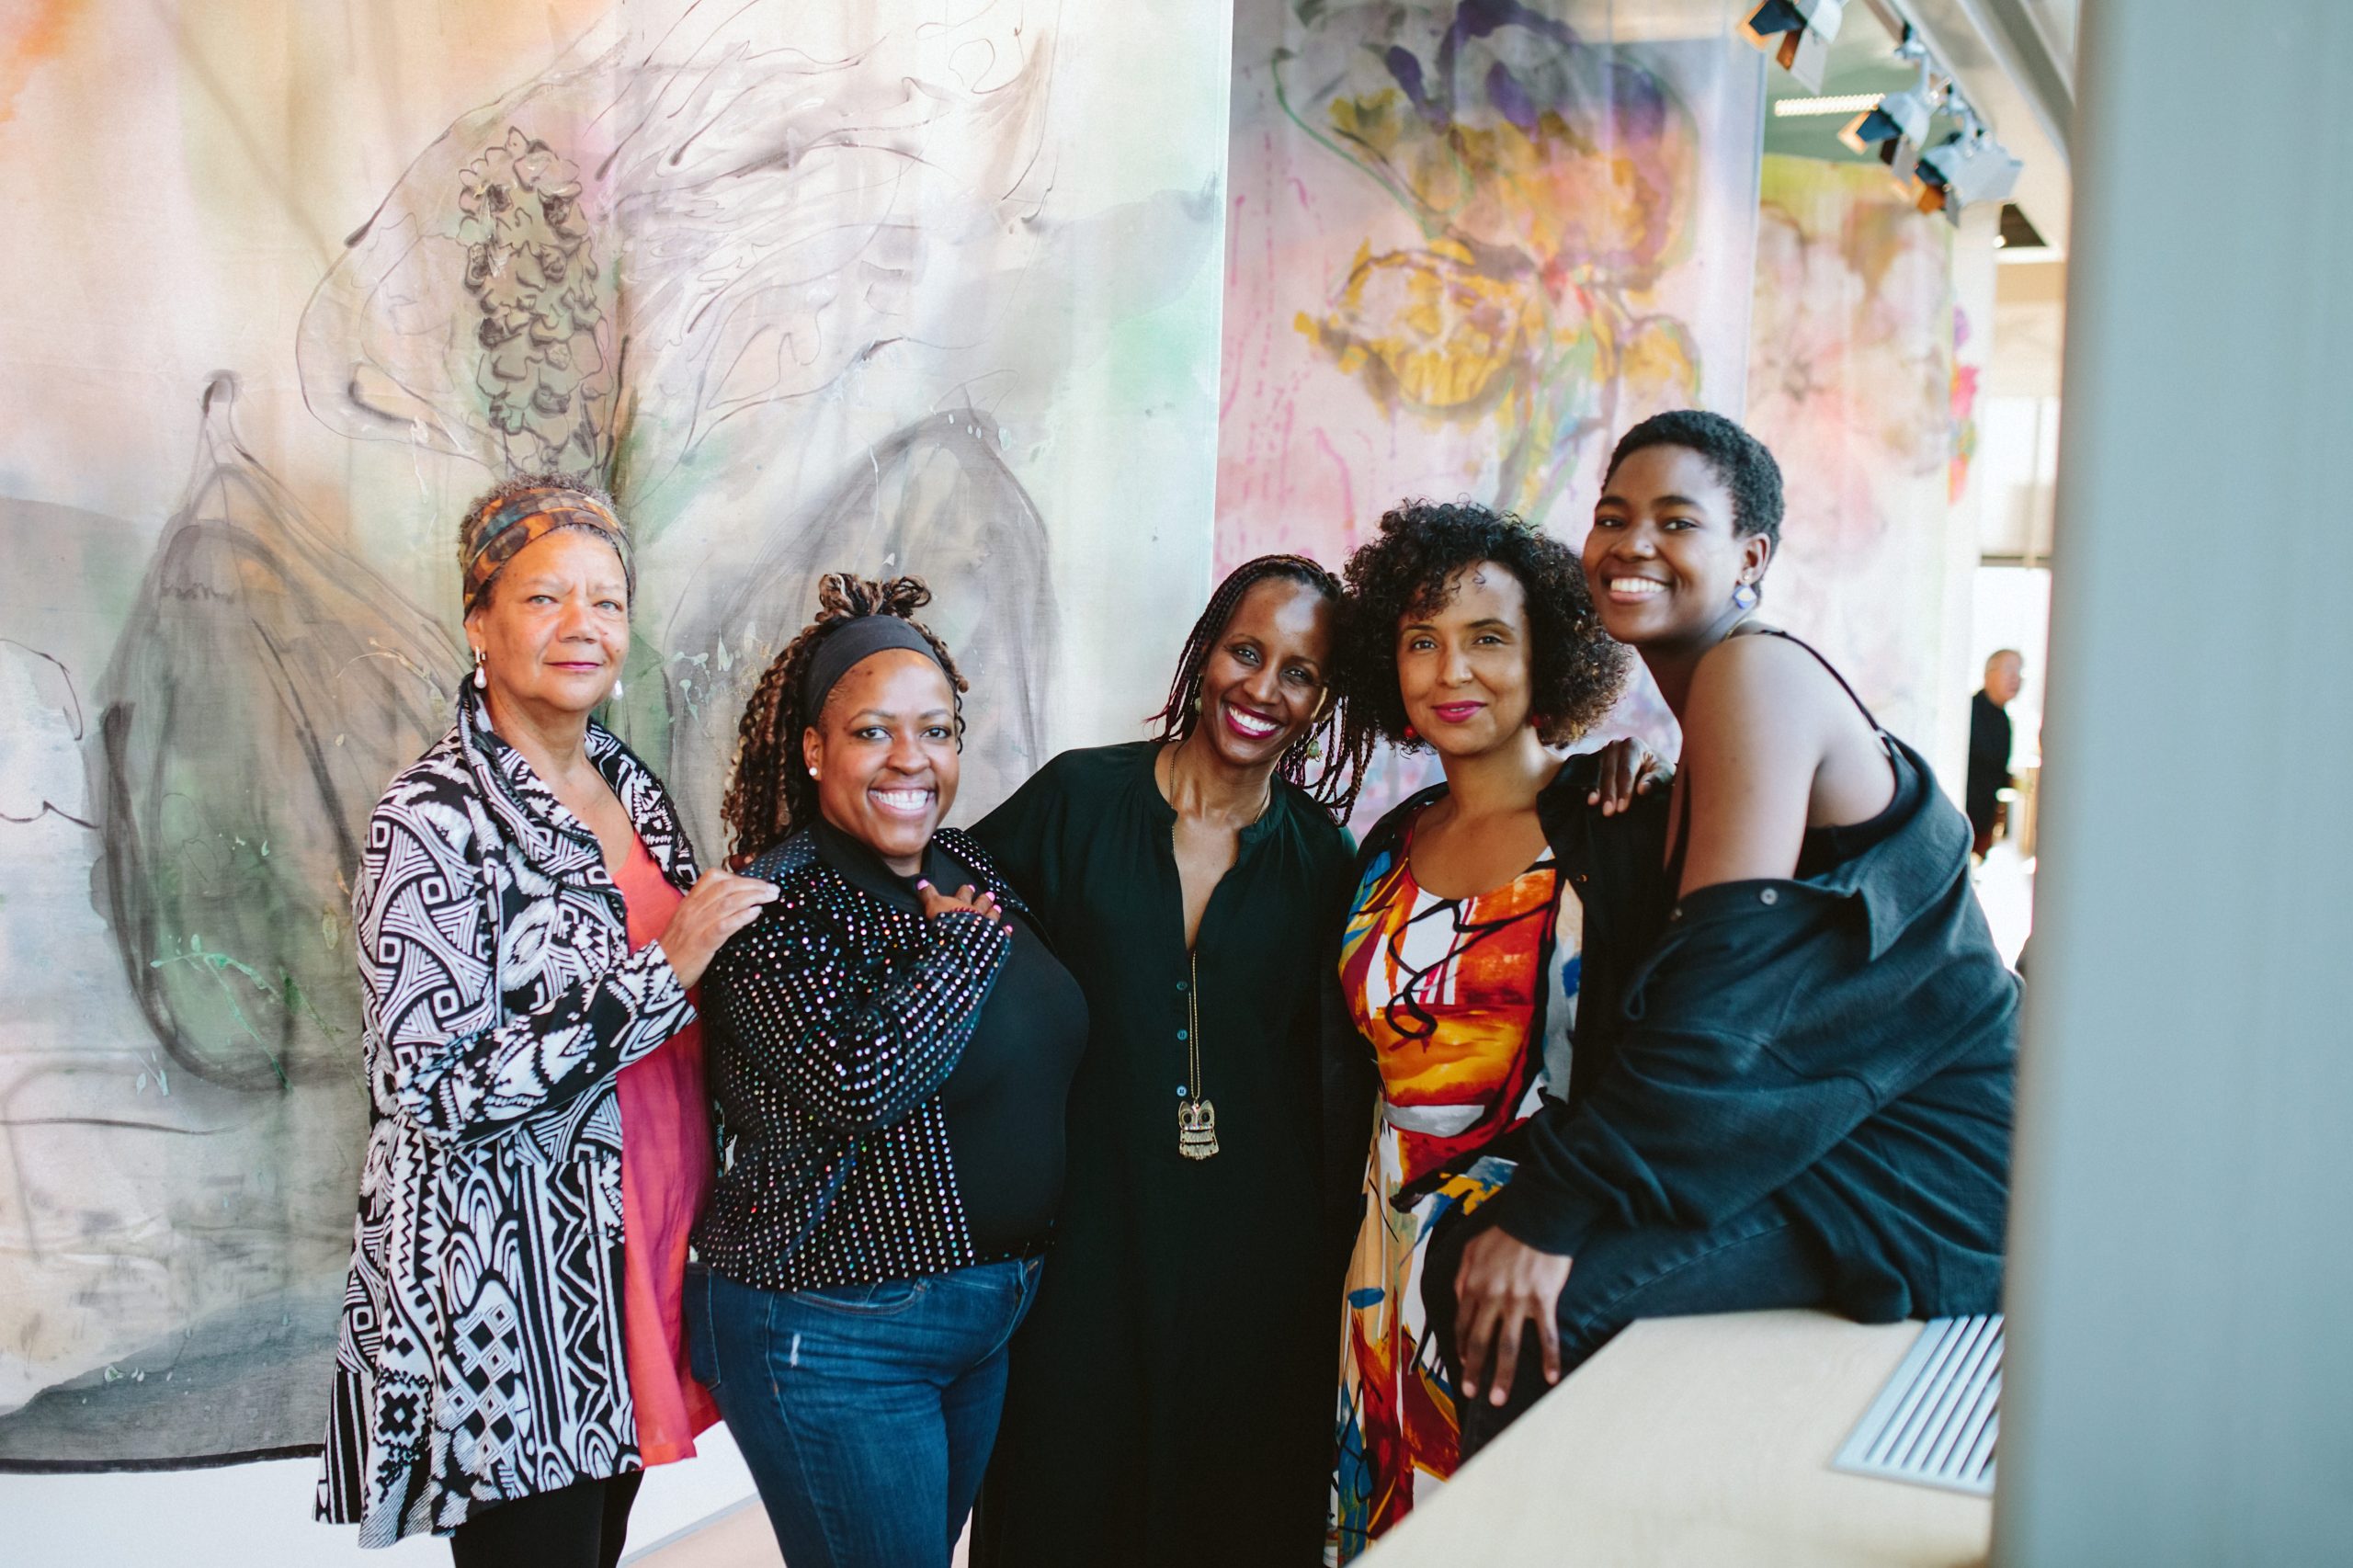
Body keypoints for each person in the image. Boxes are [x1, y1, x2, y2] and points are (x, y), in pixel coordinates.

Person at [1430, 409, 2017, 1456]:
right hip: (1816, 1141)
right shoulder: (1692, 730)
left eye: (1674, 520)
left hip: (1922, 1171)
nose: (1631, 543)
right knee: (1466, 1244)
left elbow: (1721, 1000)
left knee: (1532, 1307)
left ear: (1750, 556)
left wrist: (1552, 1212)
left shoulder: (1755, 676)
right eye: (1612, 516)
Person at [318, 475, 777, 1563]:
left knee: (596, 1541)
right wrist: (658, 976)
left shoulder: (630, 783)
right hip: (513, 1289)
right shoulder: (428, 816)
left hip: (642, 1245)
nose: (583, 626)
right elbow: (430, 1088)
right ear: (478, 619)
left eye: (606, 600)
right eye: (544, 598)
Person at [969, 556, 1379, 1568]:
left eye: (1300, 672)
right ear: (1206, 652)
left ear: (1324, 701)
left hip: (1259, 1265)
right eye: (1247, 650)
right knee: (1065, 1493)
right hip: (1087, 1241)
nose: (1263, 688)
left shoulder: (1326, 859)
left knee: (1228, 1512)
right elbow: (948, 901)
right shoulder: (1076, 797)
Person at [687, 574, 1089, 1568]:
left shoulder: (971, 864)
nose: (912, 757)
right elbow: (859, 1079)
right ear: (815, 748)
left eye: (937, 729)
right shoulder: (767, 906)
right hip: (831, 1326)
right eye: (873, 731)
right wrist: (954, 953)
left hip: (984, 1314)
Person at [1323, 502, 1655, 1559]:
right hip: (1384, 1274)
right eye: (1421, 640)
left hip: (1533, 1269)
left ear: (1545, 653)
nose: (1448, 670)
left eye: (1486, 637)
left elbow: (1655, 1059)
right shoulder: (1385, 843)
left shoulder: (1611, 825)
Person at [1968, 650, 2023, 858]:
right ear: (1987, 674)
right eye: (2009, 670)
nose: (2015, 678)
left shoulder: (2004, 719)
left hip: (1984, 821)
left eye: (2019, 672)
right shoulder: (1969, 712)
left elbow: (1995, 769)